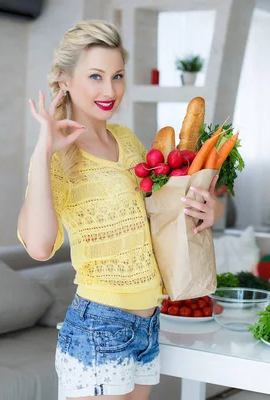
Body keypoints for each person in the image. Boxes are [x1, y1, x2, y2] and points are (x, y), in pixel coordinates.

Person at [17, 20, 223, 400]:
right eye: (95, 76)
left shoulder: (126, 139)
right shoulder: (60, 157)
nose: (109, 90)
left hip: (147, 323)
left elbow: (160, 215)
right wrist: (42, 153)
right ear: (63, 79)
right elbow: (39, 245)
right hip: (99, 325)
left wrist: (210, 212)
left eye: (117, 76)